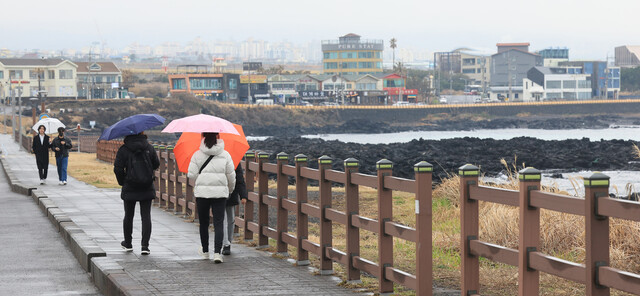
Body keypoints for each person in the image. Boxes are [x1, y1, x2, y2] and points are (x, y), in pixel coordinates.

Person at [188, 132, 235, 263]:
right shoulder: (225, 155)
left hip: (202, 193)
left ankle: (205, 251)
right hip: (220, 194)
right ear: (218, 137)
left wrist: (201, 179)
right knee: (218, 222)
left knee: (203, 223)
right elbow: (231, 176)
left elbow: (191, 174)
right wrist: (229, 189)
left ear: (203, 137)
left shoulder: (197, 154)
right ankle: (217, 253)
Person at [113, 132, 159, 255]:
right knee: (146, 216)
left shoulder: (124, 149)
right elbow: (156, 164)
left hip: (130, 186)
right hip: (146, 185)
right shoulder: (149, 147)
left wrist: (123, 182)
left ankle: (128, 243)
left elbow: (117, 168)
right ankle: (145, 246)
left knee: (128, 215)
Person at [218, 164, 247, 255]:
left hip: (231, 193)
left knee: (230, 220)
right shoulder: (214, 158)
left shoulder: (235, 162)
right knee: (223, 220)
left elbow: (240, 180)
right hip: (218, 193)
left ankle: (228, 242)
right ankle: (226, 243)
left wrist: (243, 195)